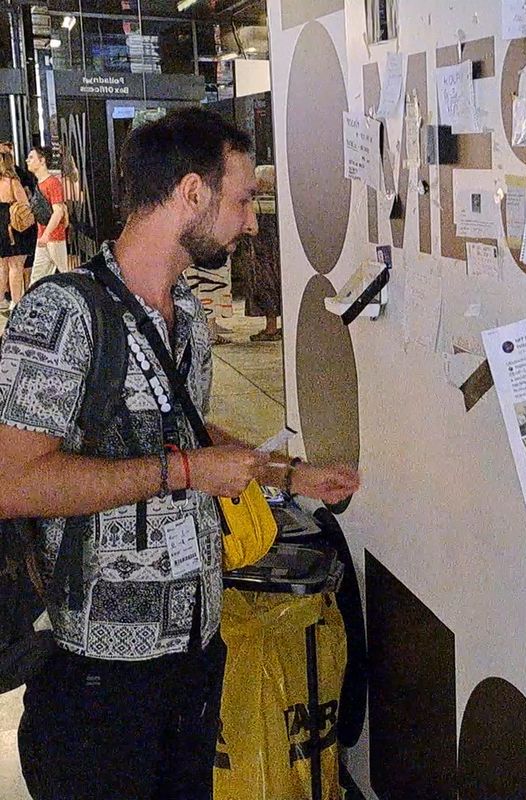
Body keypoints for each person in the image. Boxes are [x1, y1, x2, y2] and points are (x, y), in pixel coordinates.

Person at [0, 107, 360, 799]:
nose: (250, 223)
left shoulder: (186, 313)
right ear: (192, 192)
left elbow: (183, 429)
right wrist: (186, 473)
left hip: (194, 648)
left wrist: (288, 474)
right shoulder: (63, 313)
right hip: (96, 668)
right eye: (242, 200)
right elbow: (13, 482)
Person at [245, 164, 281, 341]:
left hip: (262, 255)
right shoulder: (278, 202)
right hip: (275, 255)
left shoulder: (258, 204)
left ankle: (271, 328)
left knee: (266, 287)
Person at [26, 146, 70, 286]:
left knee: (63, 273)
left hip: (53, 237)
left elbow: (58, 212)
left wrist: (46, 234)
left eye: (31, 157)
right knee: (38, 277)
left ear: (42, 160)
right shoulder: (42, 183)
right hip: (45, 236)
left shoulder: (52, 183)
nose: (27, 160)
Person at [0, 151, 30, 310]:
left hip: (1, 224)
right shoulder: (12, 181)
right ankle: (16, 302)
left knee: (2, 265)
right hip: (13, 225)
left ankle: (1, 299)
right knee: (16, 266)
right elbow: (24, 204)